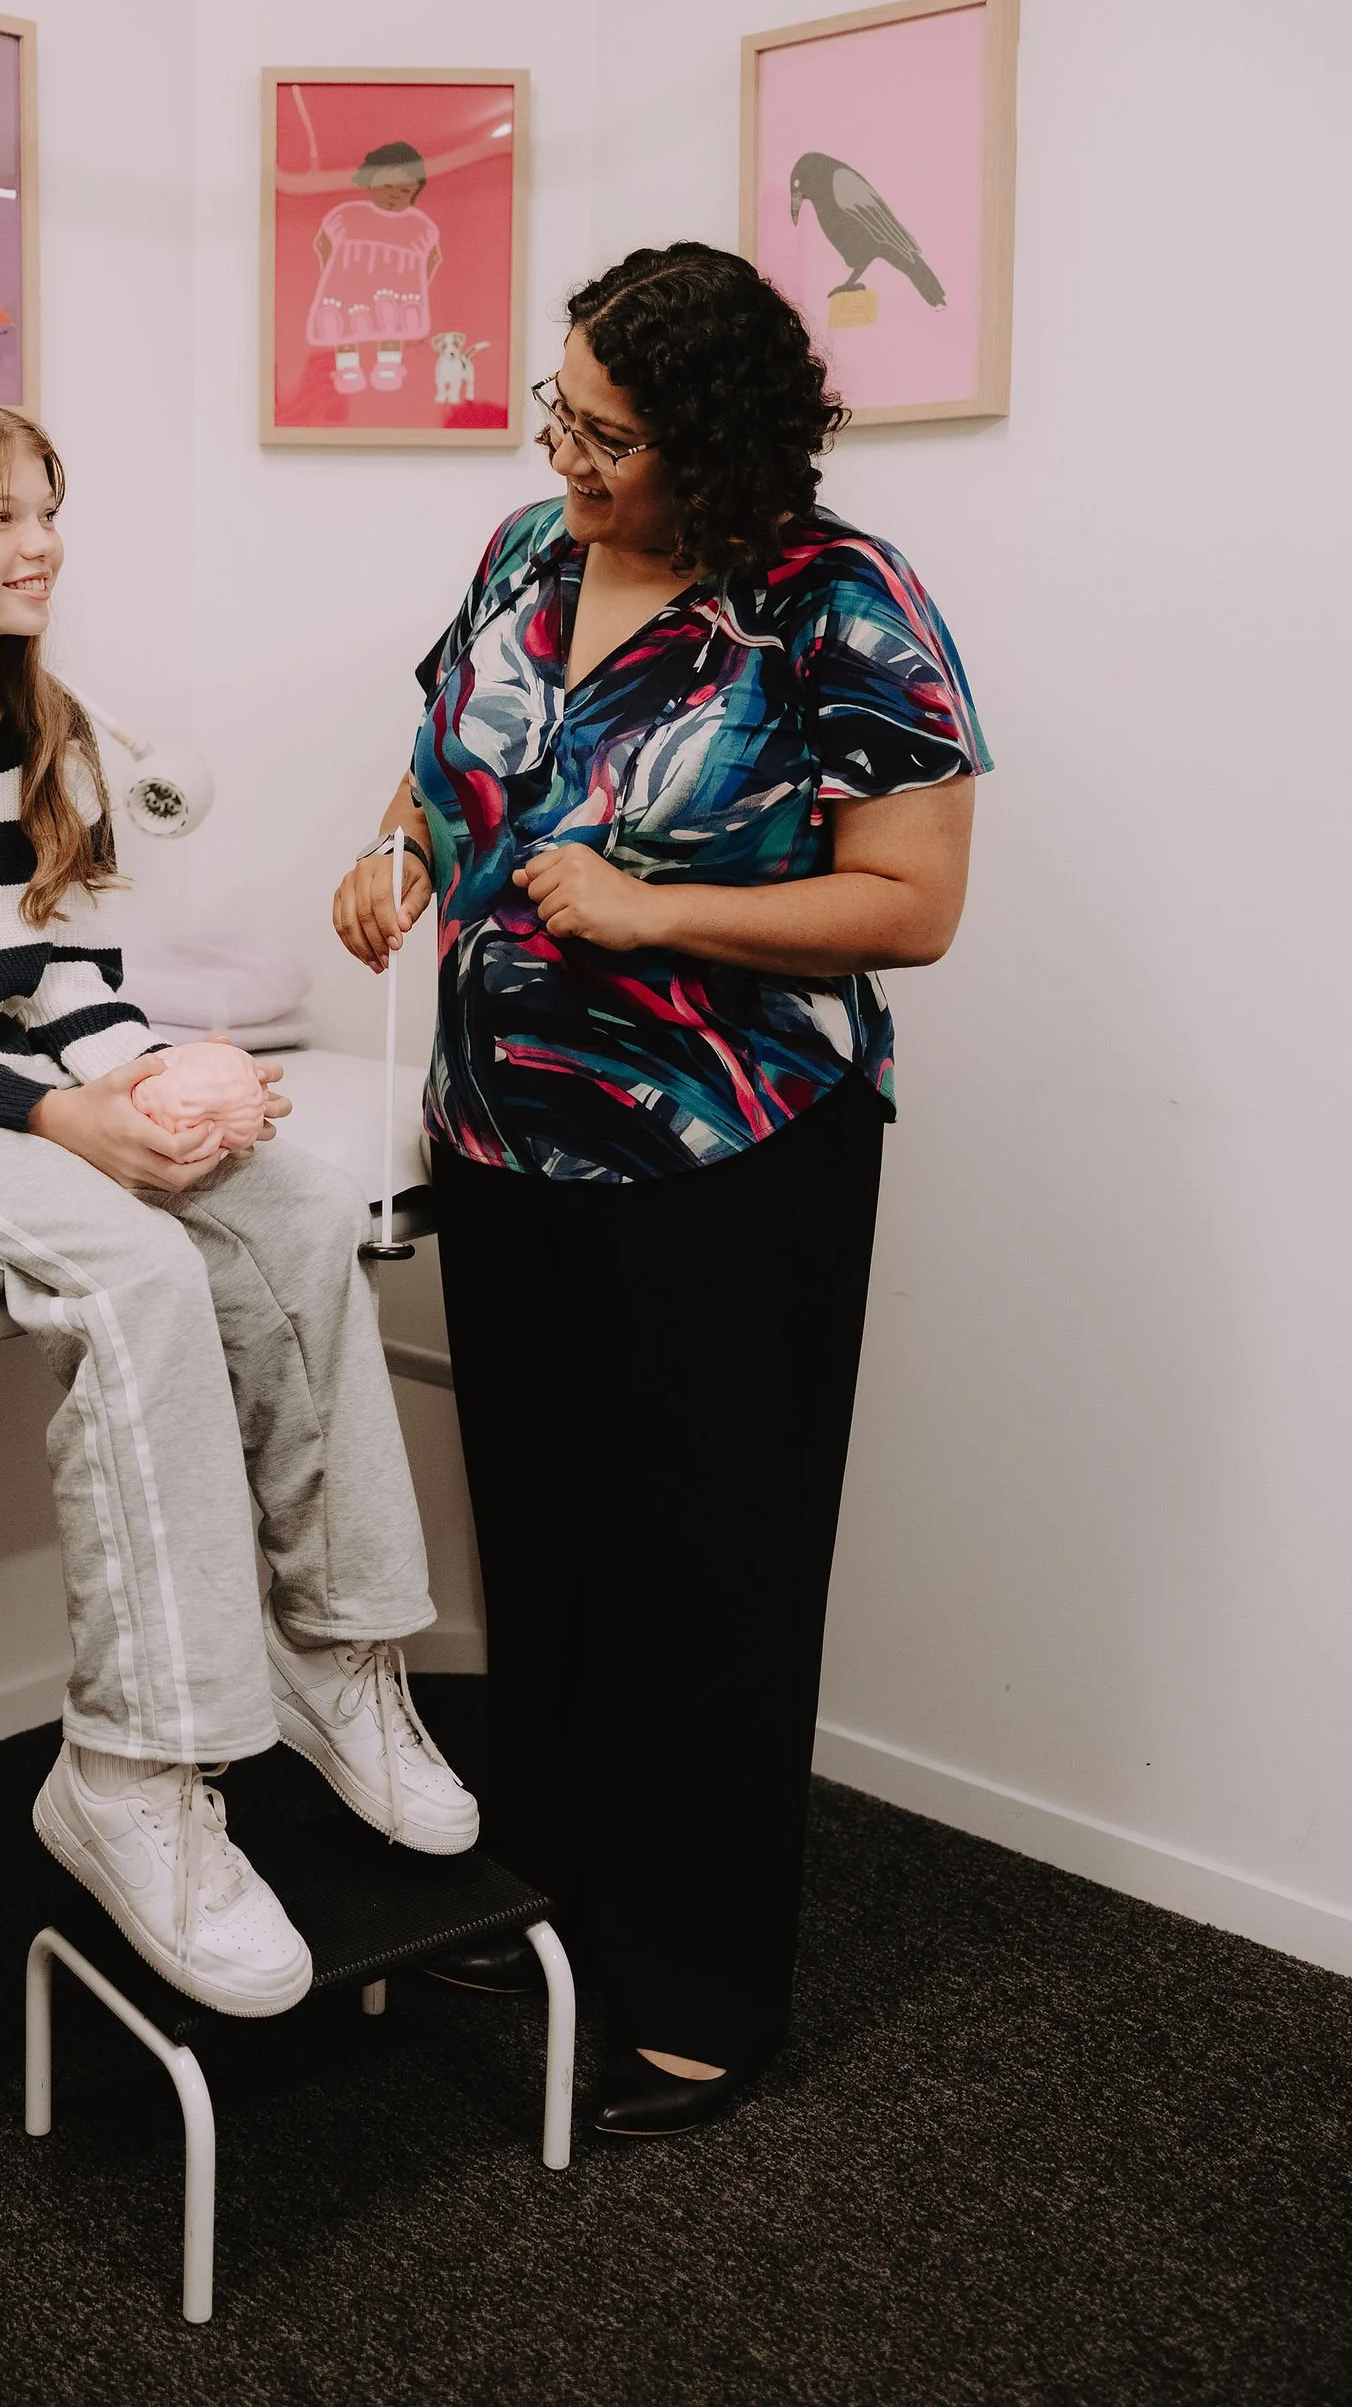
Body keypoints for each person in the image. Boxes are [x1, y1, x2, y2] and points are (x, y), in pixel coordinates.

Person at [0, 389, 476, 2019]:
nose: (40, 540)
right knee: (133, 1271)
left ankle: (333, 1653)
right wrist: (72, 1122)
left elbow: (66, 981)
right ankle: (131, 1764)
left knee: (293, 1198)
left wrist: (149, 1088)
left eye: (47, 506)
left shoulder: (49, 734)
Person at [332, 243, 988, 2135]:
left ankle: (701, 1989)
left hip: (727, 1165)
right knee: (538, 1546)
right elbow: (437, 780)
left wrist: (655, 906)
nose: (568, 455)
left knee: (703, 1570)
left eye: (606, 433)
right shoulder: (526, 559)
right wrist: (388, 862)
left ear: (709, 442)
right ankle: (540, 1899)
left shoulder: (835, 603)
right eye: (559, 410)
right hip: (505, 1143)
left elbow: (912, 903)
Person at [308, 142, 444, 395]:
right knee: (344, 325)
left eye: (404, 190)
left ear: (416, 192)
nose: (394, 195)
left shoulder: (418, 225)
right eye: (387, 186)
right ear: (369, 182)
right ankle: (348, 369)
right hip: (348, 286)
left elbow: (433, 258)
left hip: (394, 289)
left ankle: (388, 366)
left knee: (391, 321)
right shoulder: (348, 214)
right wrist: (332, 274)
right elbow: (322, 242)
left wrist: (418, 286)